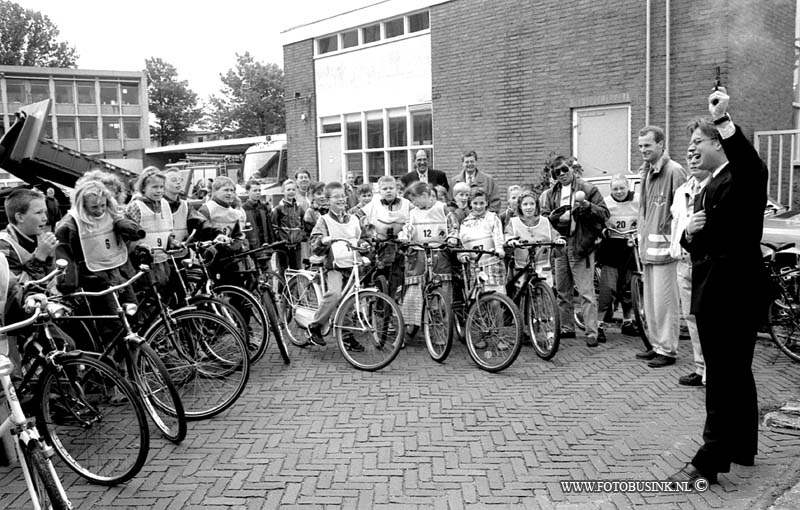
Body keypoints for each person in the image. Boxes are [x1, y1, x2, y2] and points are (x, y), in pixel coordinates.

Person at [669, 89, 769, 485]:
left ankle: (708, 462)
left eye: (698, 142)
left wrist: (724, 119)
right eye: (690, 144)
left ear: (718, 143)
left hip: (732, 294)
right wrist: (690, 236)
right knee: (736, 373)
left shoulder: (741, 175)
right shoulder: (710, 184)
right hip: (720, 292)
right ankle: (743, 447)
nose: (691, 150)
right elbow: (706, 240)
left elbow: (753, 167)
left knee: (723, 379)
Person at [541, 156, 609, 347]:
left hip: (580, 245)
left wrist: (587, 206)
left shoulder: (587, 189)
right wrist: (554, 217)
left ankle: (591, 332)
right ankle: (566, 328)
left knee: (586, 291)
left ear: (571, 169)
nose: (562, 174)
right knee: (563, 290)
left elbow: (604, 213)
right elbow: (544, 218)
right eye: (557, 172)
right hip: (560, 245)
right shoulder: (550, 194)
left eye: (564, 169)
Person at [55, 179, 143, 326]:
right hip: (95, 279)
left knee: (133, 316)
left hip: (120, 273)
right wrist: (69, 285)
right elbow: (64, 254)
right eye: (94, 207)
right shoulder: (69, 224)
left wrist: (129, 228)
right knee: (114, 322)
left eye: (102, 205)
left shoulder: (112, 213)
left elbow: (128, 228)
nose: (100, 210)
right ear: (82, 205)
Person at [636, 125, 687, 367]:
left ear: (661, 144)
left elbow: (682, 212)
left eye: (647, 145)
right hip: (648, 251)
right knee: (652, 304)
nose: (643, 150)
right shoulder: (647, 172)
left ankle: (668, 349)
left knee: (665, 303)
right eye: (640, 146)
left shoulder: (674, 171)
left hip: (665, 252)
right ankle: (656, 345)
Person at [306, 181, 369, 349]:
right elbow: (314, 243)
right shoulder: (324, 220)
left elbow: (362, 237)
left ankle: (346, 336)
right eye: (336, 197)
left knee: (349, 300)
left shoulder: (354, 219)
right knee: (334, 293)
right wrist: (323, 240)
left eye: (343, 196)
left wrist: (364, 245)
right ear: (328, 201)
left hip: (352, 263)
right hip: (335, 265)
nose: (341, 199)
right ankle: (315, 326)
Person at [670, 150, 708, 388]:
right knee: (691, 317)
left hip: (705, 263)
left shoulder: (714, 188)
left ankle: (712, 369)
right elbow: (676, 223)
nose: (693, 161)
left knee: (709, 319)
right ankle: (700, 366)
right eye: (690, 157)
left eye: (698, 156)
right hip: (684, 261)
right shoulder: (681, 191)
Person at [398, 182, 452, 343]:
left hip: (439, 255)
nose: (413, 204)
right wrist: (404, 236)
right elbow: (407, 228)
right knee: (413, 295)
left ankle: (438, 331)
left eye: (414, 200)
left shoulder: (443, 209)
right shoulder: (413, 213)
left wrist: (453, 238)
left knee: (440, 295)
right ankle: (407, 330)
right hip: (419, 257)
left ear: (423, 196)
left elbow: (453, 226)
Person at [595, 174, 640, 343]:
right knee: (608, 288)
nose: (619, 191)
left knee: (629, 287)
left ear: (628, 187)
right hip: (612, 248)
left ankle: (628, 322)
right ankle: (599, 325)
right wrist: (603, 230)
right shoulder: (606, 203)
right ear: (610, 189)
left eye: (622, 188)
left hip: (630, 247)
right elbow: (598, 223)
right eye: (615, 188)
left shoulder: (638, 201)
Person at [361, 175, 411, 298]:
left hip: (399, 245)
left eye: (391, 188)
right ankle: (376, 301)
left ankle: (395, 301)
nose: (388, 191)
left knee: (397, 276)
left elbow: (413, 219)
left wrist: (406, 233)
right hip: (379, 245)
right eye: (385, 189)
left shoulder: (407, 204)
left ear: (397, 189)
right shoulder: (373, 204)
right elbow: (358, 216)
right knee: (378, 274)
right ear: (379, 191)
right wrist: (367, 230)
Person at [125, 168, 174, 286]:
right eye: (154, 187)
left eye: (161, 187)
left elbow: (167, 229)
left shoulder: (165, 204)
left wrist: (172, 241)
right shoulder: (135, 206)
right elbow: (129, 235)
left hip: (163, 258)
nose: (159, 191)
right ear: (143, 188)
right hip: (143, 261)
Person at [0, 188, 57, 282]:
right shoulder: (4, 247)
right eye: (39, 213)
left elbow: (52, 281)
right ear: (20, 217)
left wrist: (50, 259)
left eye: (45, 212)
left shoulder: (40, 238)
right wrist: (40, 258)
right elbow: (18, 290)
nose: (45, 218)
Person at [456, 188, 506, 295]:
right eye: (475, 203)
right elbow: (462, 242)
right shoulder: (465, 222)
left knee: (495, 298)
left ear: (486, 203)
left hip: (492, 262)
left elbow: (498, 235)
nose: (478, 207)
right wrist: (463, 255)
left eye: (481, 203)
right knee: (478, 297)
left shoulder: (493, 218)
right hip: (475, 265)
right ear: (470, 204)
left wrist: (499, 249)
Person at [505, 190, 558, 289]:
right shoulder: (514, 222)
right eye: (525, 204)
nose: (529, 207)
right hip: (521, 267)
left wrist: (558, 240)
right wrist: (511, 241)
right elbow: (508, 235)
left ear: (536, 206)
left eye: (532, 204)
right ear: (520, 206)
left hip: (543, 267)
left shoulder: (545, 221)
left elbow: (554, 235)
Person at [271, 178, 306, 272]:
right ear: (283, 191)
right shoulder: (278, 209)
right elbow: (274, 226)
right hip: (283, 246)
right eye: (288, 189)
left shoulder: (299, 208)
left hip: (296, 245)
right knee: (283, 271)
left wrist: (300, 236)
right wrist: (281, 239)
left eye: (293, 189)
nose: (291, 192)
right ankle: (283, 287)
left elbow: (303, 224)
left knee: (297, 271)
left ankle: (295, 287)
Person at [242, 180, 273, 267]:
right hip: (252, 248)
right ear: (248, 192)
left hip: (265, 247)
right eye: (255, 190)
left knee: (268, 273)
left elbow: (269, 227)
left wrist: (271, 243)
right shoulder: (243, 209)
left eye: (259, 190)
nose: (258, 193)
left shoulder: (263, 207)